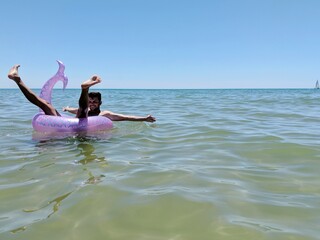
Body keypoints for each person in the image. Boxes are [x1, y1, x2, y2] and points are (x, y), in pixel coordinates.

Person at [8, 64, 156, 122]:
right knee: (45, 104)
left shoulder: (104, 114)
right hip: (73, 128)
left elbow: (125, 117)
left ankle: (85, 89)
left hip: (82, 133)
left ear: (100, 103)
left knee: (82, 111)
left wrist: (144, 118)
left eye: (95, 102)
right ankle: (17, 79)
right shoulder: (84, 109)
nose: (92, 104)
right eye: (90, 101)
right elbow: (75, 110)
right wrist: (66, 109)